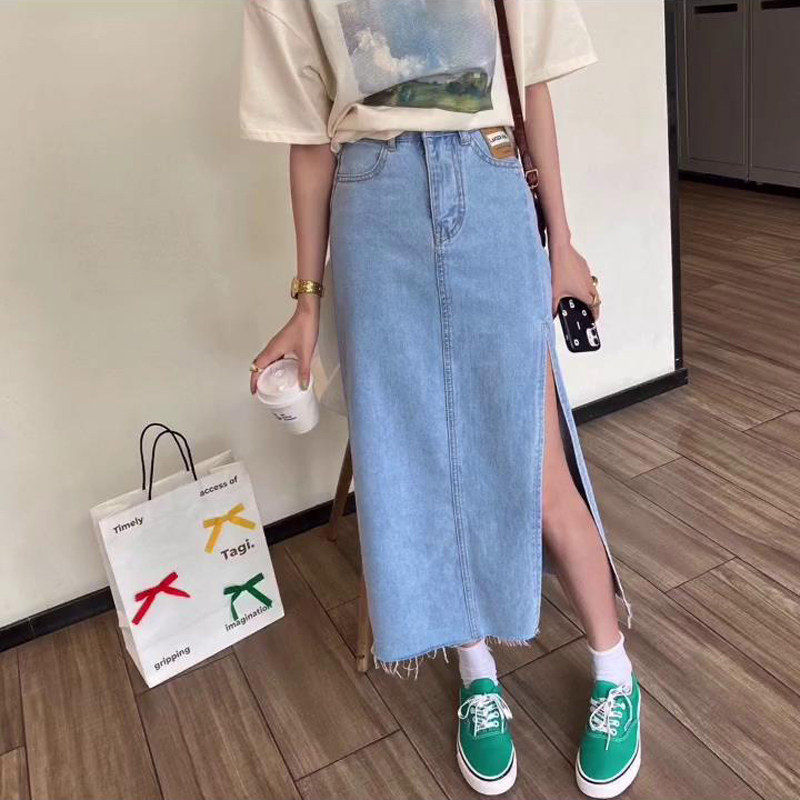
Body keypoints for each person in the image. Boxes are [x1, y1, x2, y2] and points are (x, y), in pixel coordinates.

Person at [240, 1, 640, 796]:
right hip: (373, 205)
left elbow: (531, 87)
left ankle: (615, 670)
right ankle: (477, 673)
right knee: (421, 472)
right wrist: (308, 302)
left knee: (538, 473)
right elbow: (308, 138)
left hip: (490, 183)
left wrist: (562, 244)